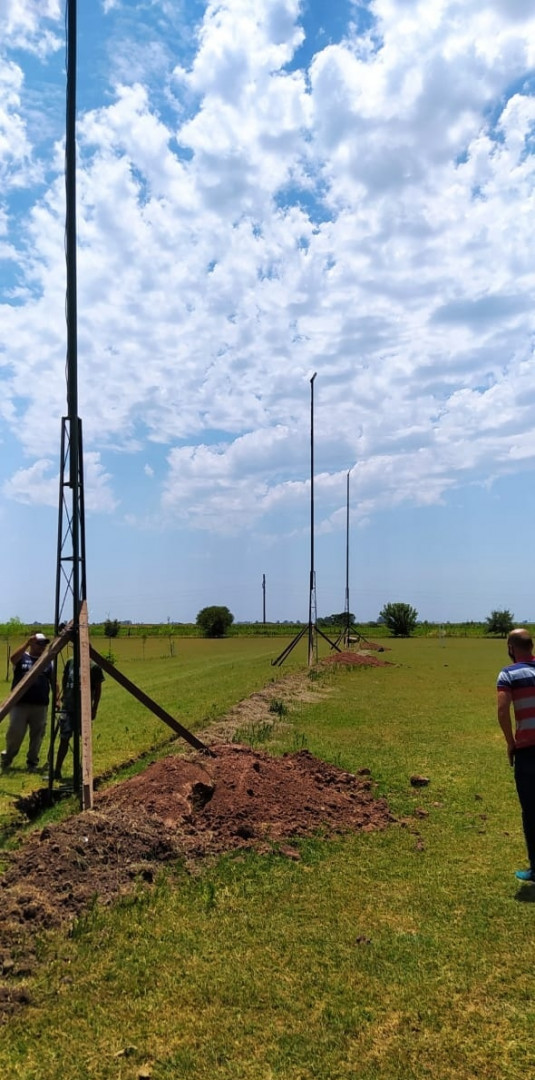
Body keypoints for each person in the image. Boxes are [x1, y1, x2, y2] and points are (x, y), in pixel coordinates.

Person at [497, 627, 535, 882]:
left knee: (531, 811)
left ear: (511, 648)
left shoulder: (508, 674)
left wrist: (511, 743)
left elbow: (502, 711)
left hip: (528, 752)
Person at [2, 632, 55, 772]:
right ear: (32, 644)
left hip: (40, 705)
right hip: (19, 704)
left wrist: (57, 698)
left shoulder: (48, 660)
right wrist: (26, 643)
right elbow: (12, 659)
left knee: (37, 735)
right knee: (15, 732)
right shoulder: (23, 657)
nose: (42, 646)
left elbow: (53, 681)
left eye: (44, 644)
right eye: (39, 643)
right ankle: (8, 757)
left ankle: (32, 762)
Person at [53, 654, 104, 781]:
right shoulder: (70, 661)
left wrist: (94, 708)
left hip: (83, 709)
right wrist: (64, 694)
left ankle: (84, 771)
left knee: (84, 740)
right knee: (64, 739)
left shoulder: (94, 667)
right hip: (68, 707)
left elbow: (98, 689)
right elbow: (65, 678)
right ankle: (57, 770)